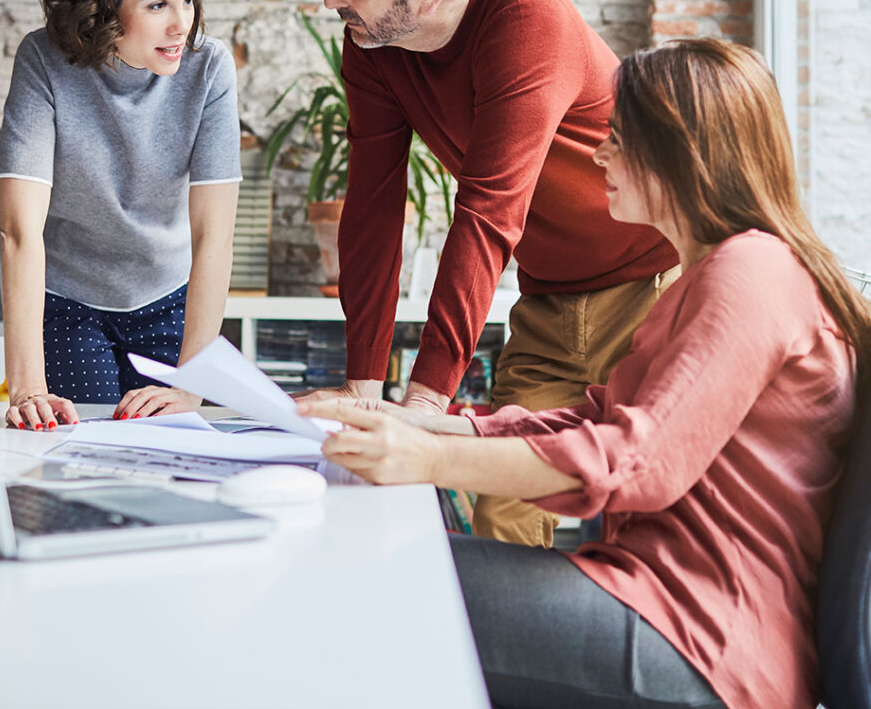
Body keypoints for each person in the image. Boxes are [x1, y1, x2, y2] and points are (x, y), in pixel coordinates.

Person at [301, 37, 869, 709]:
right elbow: (595, 419)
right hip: (657, 599)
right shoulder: (714, 275)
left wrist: (424, 459)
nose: (599, 154)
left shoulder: (751, 274)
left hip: (702, 636)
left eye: (619, 138)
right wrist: (428, 426)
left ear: (681, 152)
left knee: (368, 576)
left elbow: (632, 460)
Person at [299, 0, 679, 546]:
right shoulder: (375, 46)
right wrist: (363, 385)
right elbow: (375, 207)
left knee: (652, 508)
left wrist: (423, 403)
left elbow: (489, 210)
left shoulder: (525, 17)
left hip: (652, 292)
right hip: (550, 306)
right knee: (504, 515)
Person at [0, 0, 241, 430]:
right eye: (158, 4)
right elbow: (19, 229)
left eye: (189, 0)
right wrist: (26, 388)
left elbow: (214, 233)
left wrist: (193, 381)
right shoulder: (44, 59)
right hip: (70, 303)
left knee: (172, 447)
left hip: (170, 296)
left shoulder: (210, 67)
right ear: (104, 7)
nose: (183, 25)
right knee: (80, 449)